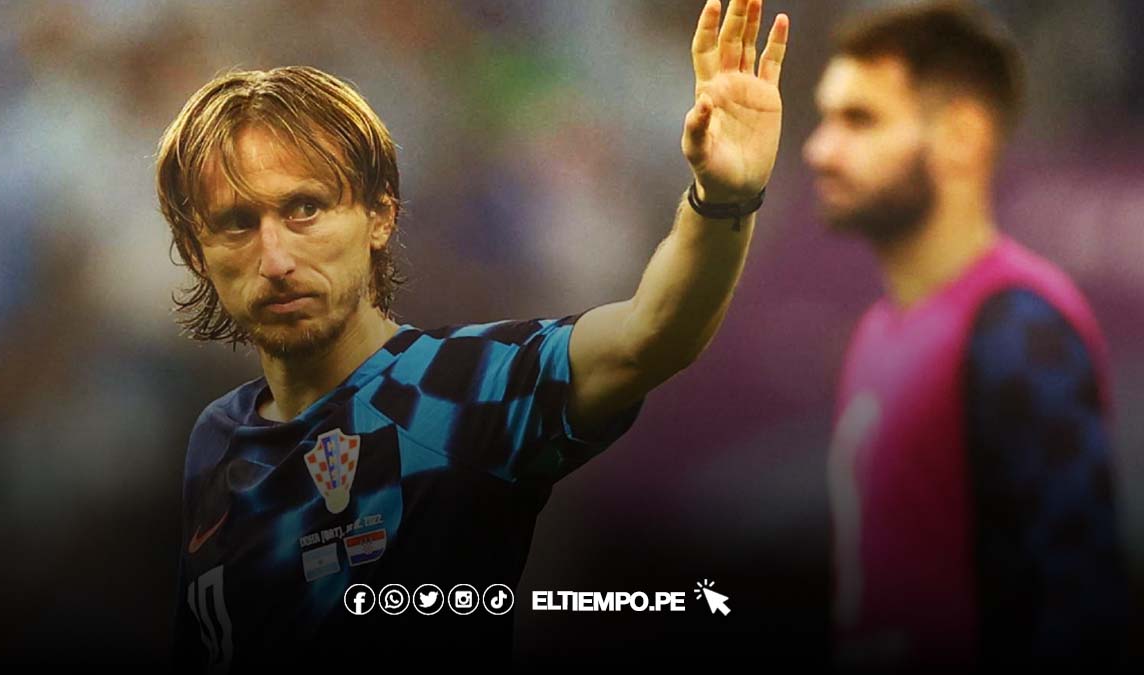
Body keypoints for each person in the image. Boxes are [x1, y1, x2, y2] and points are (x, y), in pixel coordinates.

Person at [156, 0, 789, 670]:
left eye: (305, 208)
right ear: (197, 252)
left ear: (379, 216)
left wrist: (724, 198)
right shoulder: (215, 440)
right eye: (237, 223)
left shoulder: (461, 389)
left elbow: (652, 332)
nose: (276, 257)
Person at [804, 1, 1130, 669]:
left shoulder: (1019, 329)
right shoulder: (875, 331)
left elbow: (1082, 612)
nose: (820, 150)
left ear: (961, 135)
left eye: (859, 120)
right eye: (825, 118)